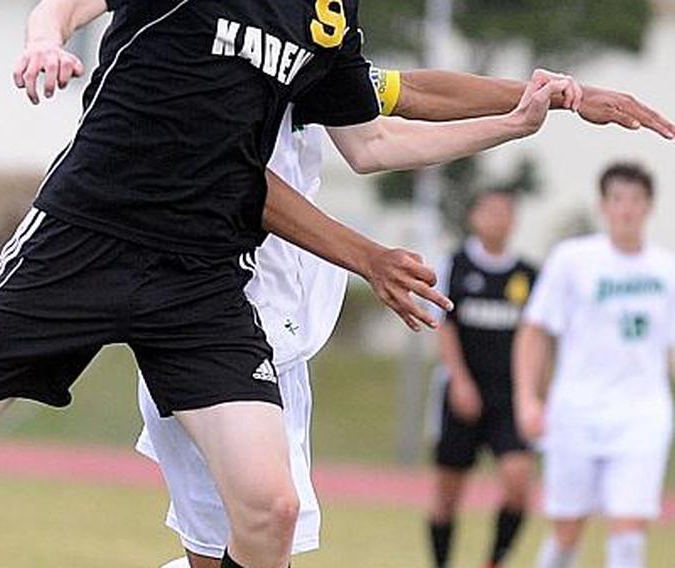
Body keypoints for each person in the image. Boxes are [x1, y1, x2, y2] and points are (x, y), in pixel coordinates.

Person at [135, 64, 674, 567]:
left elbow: (396, 108)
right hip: (210, 328)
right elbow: (246, 180)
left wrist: (545, 103)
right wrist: (48, 26)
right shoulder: (213, 47)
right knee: (272, 520)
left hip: (280, 340)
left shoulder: (312, 43)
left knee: (253, 539)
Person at [515, 164, 675, 568]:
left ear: (649, 207)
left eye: (636, 200)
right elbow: (535, 331)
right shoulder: (574, 260)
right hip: (577, 412)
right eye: (618, 199)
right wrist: (527, 399)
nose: (627, 210)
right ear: (603, 206)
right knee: (567, 530)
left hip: (642, 413)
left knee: (628, 529)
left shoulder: (666, 269)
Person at [428, 190, 537, 568]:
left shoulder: (527, 275)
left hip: (509, 396)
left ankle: (494, 561)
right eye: (490, 211)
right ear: (475, 217)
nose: (498, 219)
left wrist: (534, 393)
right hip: (463, 394)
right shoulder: (455, 265)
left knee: (519, 484)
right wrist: (458, 380)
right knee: (447, 494)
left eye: (506, 212)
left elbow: (536, 338)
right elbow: (444, 327)